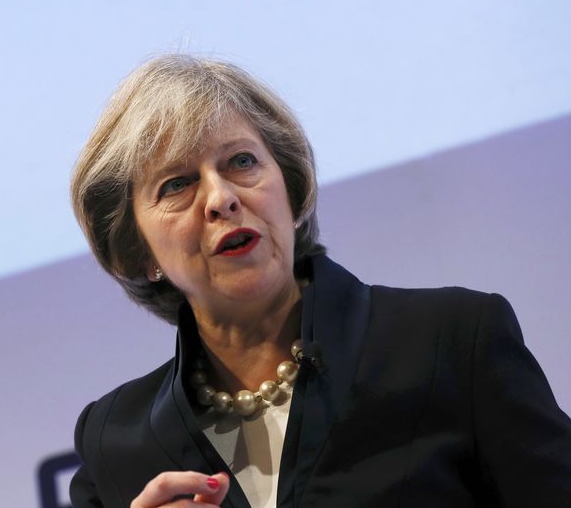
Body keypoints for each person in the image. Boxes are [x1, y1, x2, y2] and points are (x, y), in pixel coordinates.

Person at [67, 55, 571, 507]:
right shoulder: (113, 441)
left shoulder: (453, 341)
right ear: (136, 250)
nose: (221, 198)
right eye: (177, 184)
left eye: (241, 161)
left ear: (290, 187)